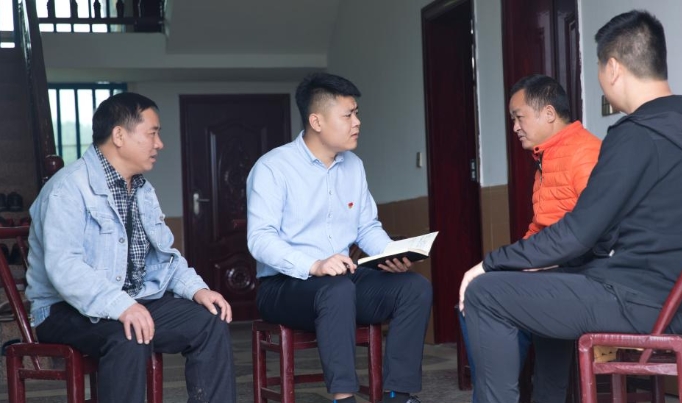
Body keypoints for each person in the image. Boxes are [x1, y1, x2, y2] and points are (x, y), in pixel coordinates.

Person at [459, 10, 682, 403]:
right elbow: (607, 231)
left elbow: (578, 232)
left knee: (486, 292)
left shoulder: (638, 135)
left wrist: (489, 263)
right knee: (550, 279)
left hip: (637, 301)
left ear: (613, 68)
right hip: (675, 300)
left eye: (600, 71)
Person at [26, 92, 236, 403]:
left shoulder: (141, 189)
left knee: (210, 321)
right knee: (130, 334)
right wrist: (122, 306)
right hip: (62, 309)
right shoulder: (67, 188)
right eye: (152, 133)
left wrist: (197, 289)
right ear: (119, 135)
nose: (159, 144)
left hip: (131, 300)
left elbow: (163, 256)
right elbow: (65, 269)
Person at [246, 72, 432, 403]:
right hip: (284, 286)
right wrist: (314, 265)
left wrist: (390, 253)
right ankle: (344, 397)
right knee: (337, 290)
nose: (357, 122)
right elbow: (260, 239)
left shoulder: (354, 166)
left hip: (343, 280)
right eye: (348, 115)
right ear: (316, 121)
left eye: (356, 113)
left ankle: (398, 394)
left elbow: (367, 227)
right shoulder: (273, 168)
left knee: (413, 288)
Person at [457, 74, 601, 398]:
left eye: (518, 117)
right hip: (558, 267)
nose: (515, 127)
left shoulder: (585, 153)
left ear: (548, 113)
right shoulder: (547, 158)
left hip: (584, 273)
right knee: (485, 292)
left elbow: (595, 229)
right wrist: (517, 261)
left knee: (483, 296)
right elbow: (539, 229)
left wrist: (530, 262)